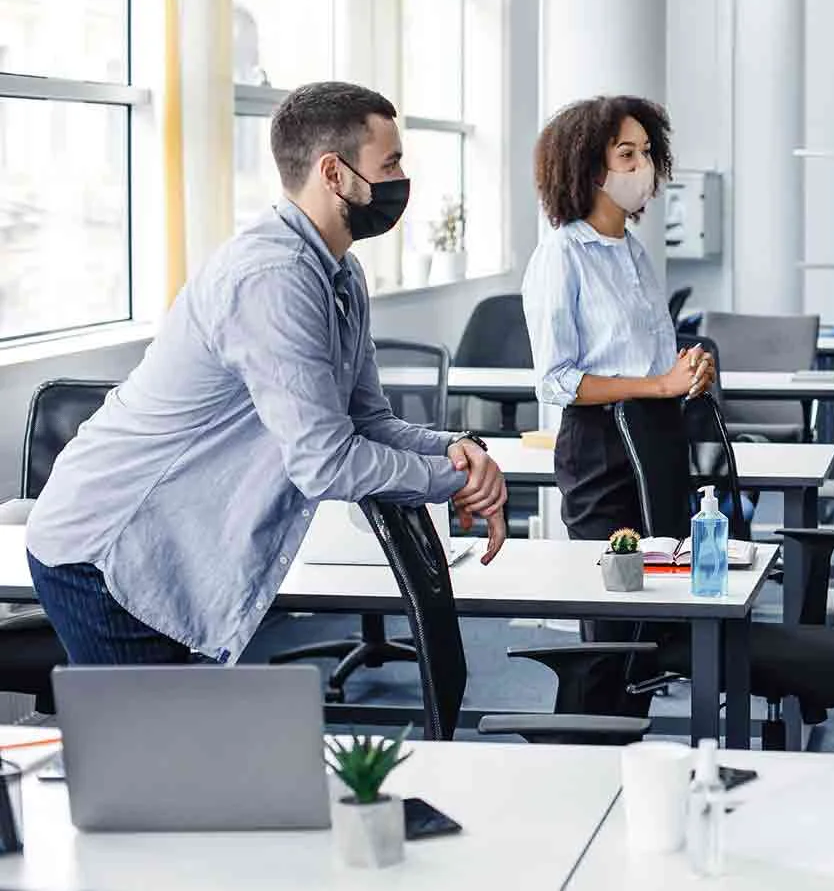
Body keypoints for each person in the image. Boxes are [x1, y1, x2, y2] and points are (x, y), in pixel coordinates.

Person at [26, 81, 509, 666]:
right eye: (391, 162)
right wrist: (452, 480)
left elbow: (368, 422)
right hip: (109, 551)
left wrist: (459, 449)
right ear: (335, 173)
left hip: (166, 550)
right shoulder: (273, 278)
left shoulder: (340, 275)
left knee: (181, 749)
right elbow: (326, 462)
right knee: (151, 753)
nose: (402, 179)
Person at [523, 95, 714, 711]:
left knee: (649, 621)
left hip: (655, 440)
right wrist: (655, 385)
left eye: (647, 153)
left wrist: (684, 372)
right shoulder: (562, 253)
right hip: (600, 452)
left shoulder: (633, 252)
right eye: (625, 154)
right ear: (586, 166)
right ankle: (581, 763)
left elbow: (648, 362)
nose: (642, 167)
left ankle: (626, 759)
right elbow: (556, 381)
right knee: (612, 623)